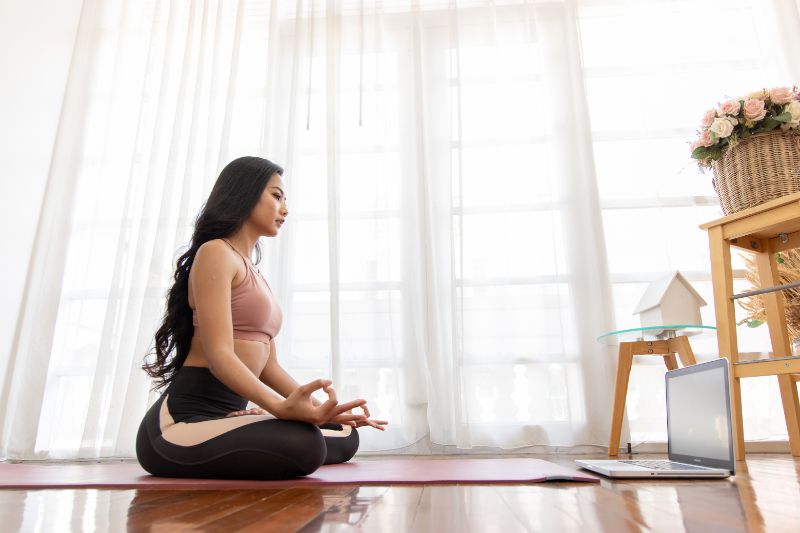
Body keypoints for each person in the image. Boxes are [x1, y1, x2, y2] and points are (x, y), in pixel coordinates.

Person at [136, 156, 387, 480]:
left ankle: (243, 422)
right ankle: (245, 424)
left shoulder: (253, 270)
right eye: (276, 195)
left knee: (343, 433)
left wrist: (317, 411)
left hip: (228, 415)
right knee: (306, 445)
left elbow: (269, 366)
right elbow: (219, 356)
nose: (285, 208)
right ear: (245, 193)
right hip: (182, 424)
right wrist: (279, 409)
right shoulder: (215, 252)